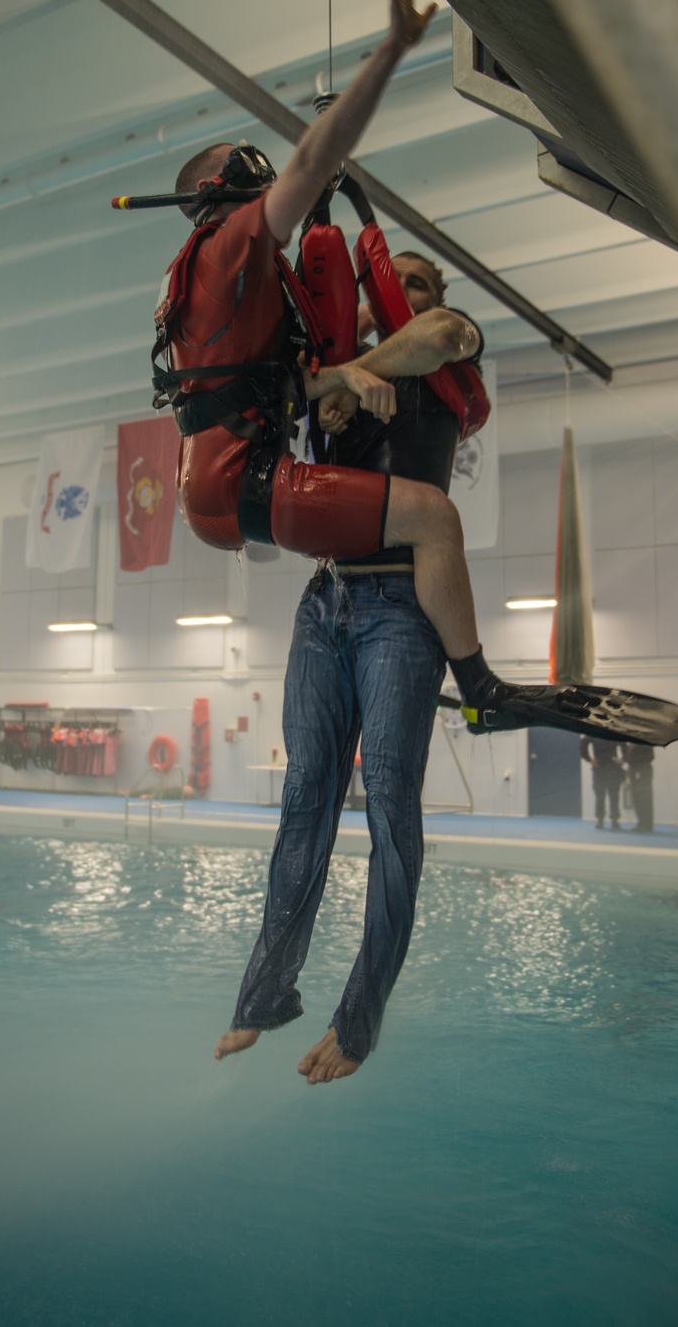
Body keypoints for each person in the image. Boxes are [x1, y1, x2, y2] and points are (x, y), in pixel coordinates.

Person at [152, 0, 678, 746]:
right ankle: (482, 690)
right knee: (434, 516)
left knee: (424, 528)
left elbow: (339, 369)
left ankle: (475, 688)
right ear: (234, 198)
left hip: (239, 493)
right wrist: (393, 47)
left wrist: (342, 369)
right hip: (275, 512)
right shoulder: (234, 248)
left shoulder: (247, 297)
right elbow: (312, 164)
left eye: (425, 286)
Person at [215, 250, 480, 1082]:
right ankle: (264, 996)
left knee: (392, 805)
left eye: (418, 282)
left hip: (403, 609)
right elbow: (294, 391)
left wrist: (359, 364)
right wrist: (344, 373)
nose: (398, 298)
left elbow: (437, 334)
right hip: (324, 604)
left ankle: (357, 1025)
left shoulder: (452, 349)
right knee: (305, 799)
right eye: (382, 291)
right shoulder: (337, 375)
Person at [581, 737, 625, 830]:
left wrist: (623, 758)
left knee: (614, 796)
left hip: (613, 768)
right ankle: (600, 819)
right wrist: (589, 759)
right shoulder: (594, 731)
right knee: (600, 796)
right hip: (599, 768)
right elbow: (582, 746)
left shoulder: (612, 731)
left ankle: (614, 820)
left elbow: (624, 745)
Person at [624, 741, 655, 831]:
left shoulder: (645, 743)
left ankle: (646, 824)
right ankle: (641, 822)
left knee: (644, 799)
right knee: (637, 798)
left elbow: (650, 757)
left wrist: (633, 762)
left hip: (642, 771)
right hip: (634, 772)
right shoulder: (631, 744)